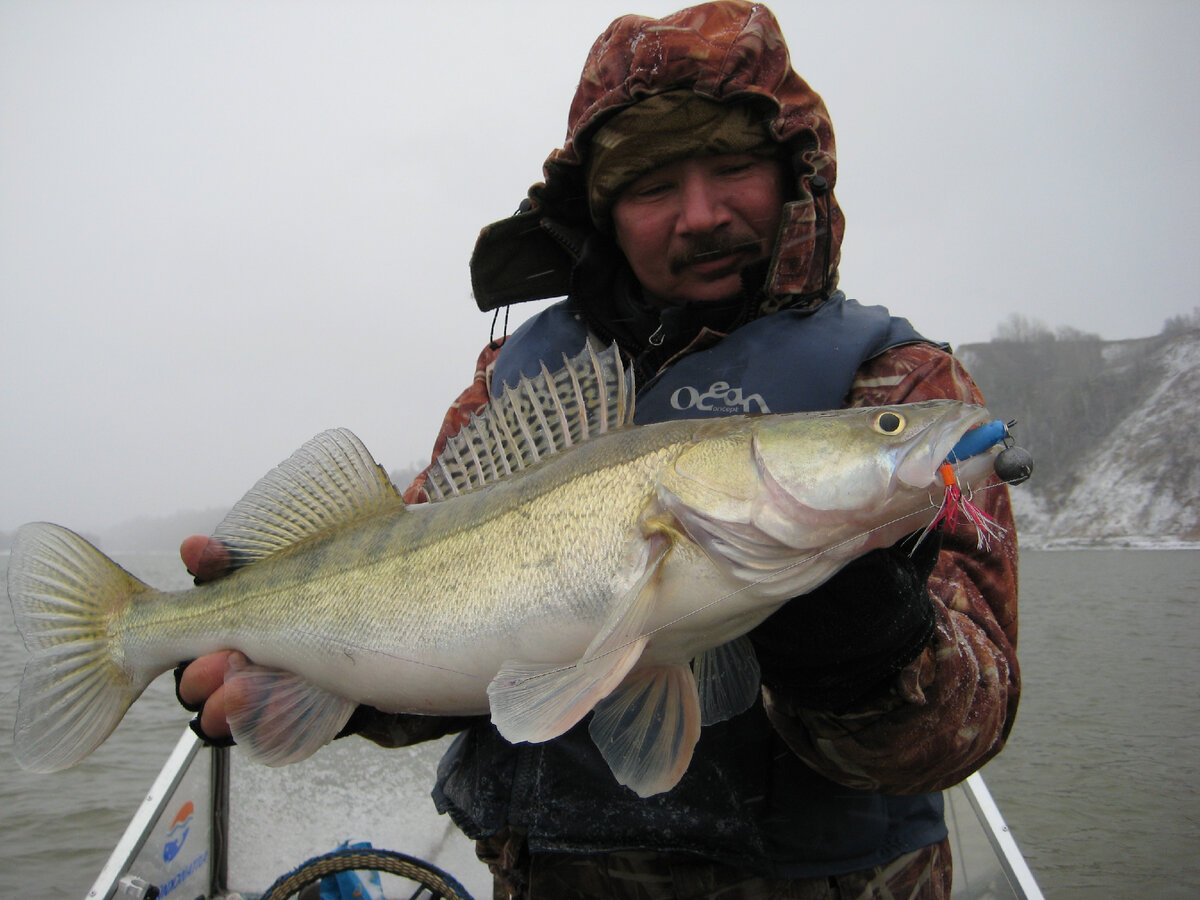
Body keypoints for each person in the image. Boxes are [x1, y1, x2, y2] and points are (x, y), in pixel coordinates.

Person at [177, 3, 1020, 897]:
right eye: (654, 188)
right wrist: (329, 685)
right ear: (603, 213)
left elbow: (976, 717)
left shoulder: (902, 382)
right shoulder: (513, 382)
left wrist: (867, 648)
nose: (700, 214)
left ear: (794, 178)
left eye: (734, 167)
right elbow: (446, 623)